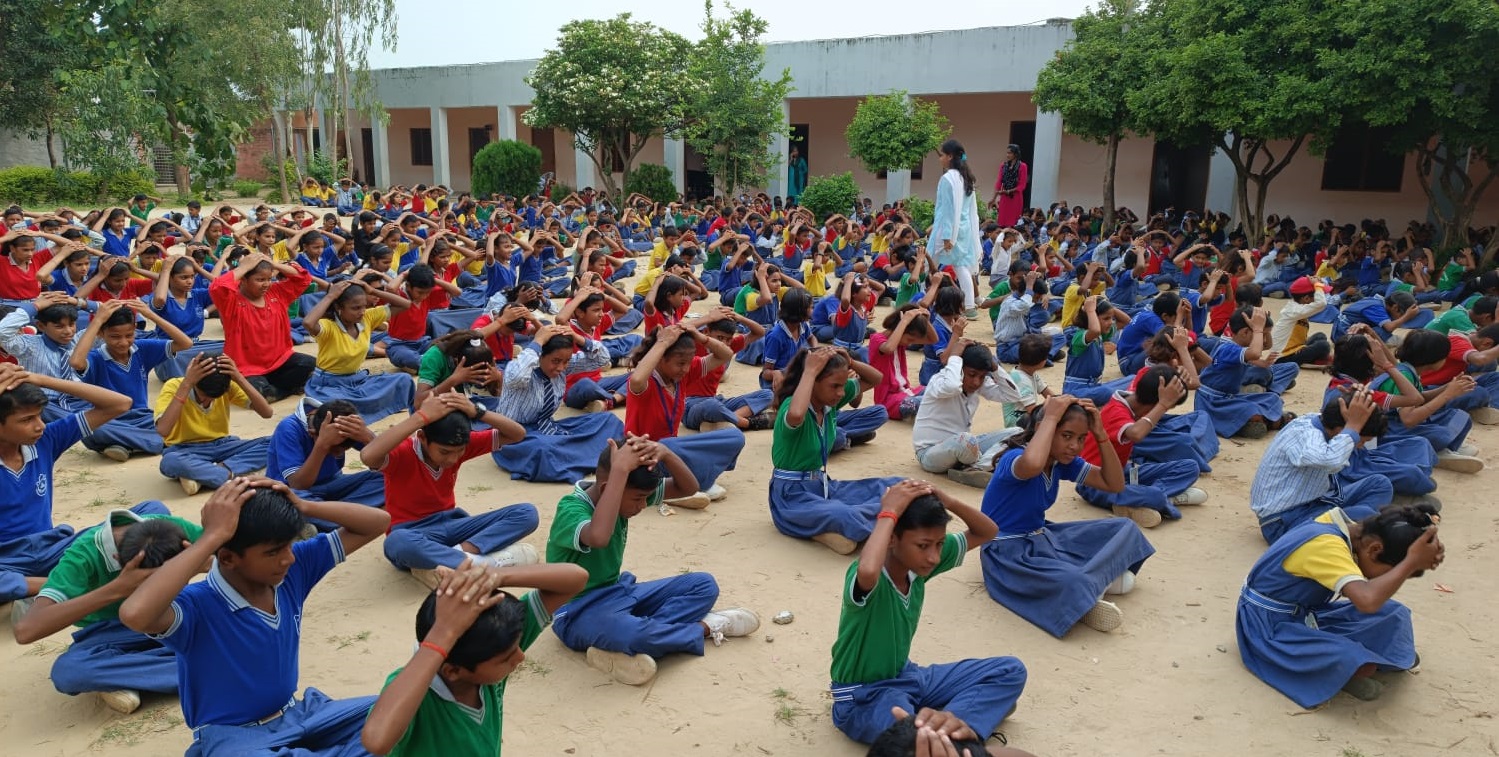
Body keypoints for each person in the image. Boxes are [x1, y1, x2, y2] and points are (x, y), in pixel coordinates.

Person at [118, 478, 391, 755]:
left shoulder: (291, 571)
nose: (288, 558)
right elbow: (134, 614)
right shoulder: (196, 606)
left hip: (302, 714)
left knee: (400, 716)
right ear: (227, 558)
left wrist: (303, 506)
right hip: (234, 738)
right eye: (273, 552)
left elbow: (378, 522)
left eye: (288, 545)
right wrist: (211, 536)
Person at [547, 437, 760, 685]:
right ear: (608, 488)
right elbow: (599, 536)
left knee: (703, 585)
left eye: (645, 499)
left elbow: (687, 488)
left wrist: (667, 453)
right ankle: (703, 628)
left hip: (618, 592)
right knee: (633, 633)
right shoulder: (571, 509)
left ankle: (626, 641)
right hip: (575, 612)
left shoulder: (626, 493)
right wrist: (619, 471)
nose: (642, 506)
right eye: (638, 499)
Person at [829, 480, 1025, 745]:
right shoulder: (870, 577)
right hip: (865, 697)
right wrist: (888, 513)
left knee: (1010, 671)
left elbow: (986, 531)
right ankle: (958, 725)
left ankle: (950, 727)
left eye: (940, 544)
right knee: (911, 739)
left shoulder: (919, 566)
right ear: (891, 539)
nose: (933, 556)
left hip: (908, 677)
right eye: (923, 546)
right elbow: (866, 570)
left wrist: (950, 502)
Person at [360, 560, 588, 757]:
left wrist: (495, 577)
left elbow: (577, 578)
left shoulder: (492, 646)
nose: (520, 657)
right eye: (507, 657)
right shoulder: (417, 697)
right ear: (453, 671)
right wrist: (443, 632)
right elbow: (376, 740)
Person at [979, 397, 1155, 637]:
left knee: (1126, 528)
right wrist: (1050, 417)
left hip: (1043, 538)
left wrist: (1101, 434)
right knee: (1072, 580)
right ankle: (1087, 588)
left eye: (1081, 438)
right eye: (1067, 436)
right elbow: (1032, 464)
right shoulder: (1015, 458)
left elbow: (1114, 483)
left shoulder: (1062, 463)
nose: (1075, 446)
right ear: (1044, 430)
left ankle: (1088, 591)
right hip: (1008, 553)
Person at [0, 363, 167, 611]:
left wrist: (39, 379)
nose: (39, 425)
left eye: (39, 416)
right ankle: (66, 586)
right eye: (26, 420)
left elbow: (119, 404)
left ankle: (44, 590)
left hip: (54, 549)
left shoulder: (46, 441)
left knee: (153, 512)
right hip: (7, 561)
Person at [1236, 504, 1440, 707]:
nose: (1386, 579)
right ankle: (1339, 673)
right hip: (1268, 626)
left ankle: (1365, 658)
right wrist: (1411, 562)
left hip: (1306, 612)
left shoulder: (1355, 529)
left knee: (1395, 614)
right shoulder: (1326, 546)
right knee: (1354, 660)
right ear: (1374, 549)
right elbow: (1367, 602)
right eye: (1388, 572)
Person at [12, 510, 199, 714]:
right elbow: (26, 630)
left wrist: (199, 561)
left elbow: (231, 556)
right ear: (118, 560)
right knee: (70, 671)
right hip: (113, 631)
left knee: (229, 625)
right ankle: (203, 669)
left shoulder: (172, 529)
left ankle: (130, 676)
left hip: (172, 616)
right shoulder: (82, 555)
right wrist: (117, 589)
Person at [361, 392, 540, 588]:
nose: (452, 459)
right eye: (444, 452)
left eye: (459, 452)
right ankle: (479, 562)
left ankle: (458, 559)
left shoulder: (459, 445)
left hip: (455, 526)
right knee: (396, 542)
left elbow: (517, 434)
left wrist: (477, 411)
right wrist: (420, 417)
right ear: (422, 438)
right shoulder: (403, 452)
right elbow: (368, 455)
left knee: (526, 513)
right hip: (413, 533)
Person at [768, 347, 905, 554]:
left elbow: (876, 378)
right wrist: (809, 371)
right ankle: (878, 518)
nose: (841, 392)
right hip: (792, 496)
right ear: (812, 383)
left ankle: (840, 527)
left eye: (842, 386)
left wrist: (851, 362)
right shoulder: (793, 406)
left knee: (899, 486)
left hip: (823, 486)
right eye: (835, 386)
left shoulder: (828, 403)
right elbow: (796, 414)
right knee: (843, 513)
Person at [1248, 388, 1396, 544]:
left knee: (1380, 484)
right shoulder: (1305, 433)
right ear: (1342, 429)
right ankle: (1357, 535)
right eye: (1362, 441)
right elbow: (1330, 461)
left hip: (1316, 501)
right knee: (1364, 514)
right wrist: (1352, 427)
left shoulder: (1323, 423)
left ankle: (1356, 532)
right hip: (1283, 521)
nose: (1360, 446)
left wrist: (1354, 415)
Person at [624, 324, 746, 506]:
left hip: (673, 454)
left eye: (688, 362)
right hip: (645, 459)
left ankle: (682, 485)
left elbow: (725, 355)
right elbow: (636, 379)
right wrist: (662, 343)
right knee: (664, 445)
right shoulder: (646, 382)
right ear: (660, 359)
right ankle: (680, 487)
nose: (686, 368)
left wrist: (700, 336)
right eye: (680, 363)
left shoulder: (682, 376)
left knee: (735, 436)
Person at [1075, 366, 1208, 529]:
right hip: (1095, 483)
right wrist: (1163, 405)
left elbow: (1151, 372)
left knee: (1190, 467)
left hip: (1121, 473)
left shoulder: (1134, 396)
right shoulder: (1117, 410)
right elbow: (1136, 434)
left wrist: (1176, 373)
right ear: (1154, 404)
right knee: (1155, 495)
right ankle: (1159, 497)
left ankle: (1147, 499)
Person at [490, 324, 625, 483]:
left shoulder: (563, 368)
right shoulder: (520, 369)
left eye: (566, 361)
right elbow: (517, 376)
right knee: (542, 449)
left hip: (550, 428)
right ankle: (585, 454)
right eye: (555, 361)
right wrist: (538, 340)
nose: (561, 367)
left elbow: (603, 358)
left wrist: (577, 337)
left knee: (609, 421)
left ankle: (575, 454)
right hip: (516, 438)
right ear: (540, 356)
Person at [68, 298, 193, 461]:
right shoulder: (95, 357)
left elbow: (186, 343)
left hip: (143, 417)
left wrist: (150, 314)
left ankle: (127, 445)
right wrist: (97, 320)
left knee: (180, 419)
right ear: (101, 333)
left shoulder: (142, 349)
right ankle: (149, 443)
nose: (123, 342)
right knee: (92, 431)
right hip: (110, 420)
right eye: (115, 337)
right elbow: (76, 362)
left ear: (135, 330)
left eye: (129, 335)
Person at [155, 353, 275, 495]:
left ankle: (210, 474)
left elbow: (267, 412)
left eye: (213, 398)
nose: (207, 401)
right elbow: (163, 429)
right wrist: (187, 383)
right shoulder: (174, 386)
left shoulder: (227, 386)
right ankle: (233, 475)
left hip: (223, 445)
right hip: (184, 449)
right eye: (203, 395)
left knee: (275, 442)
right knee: (170, 461)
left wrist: (239, 377)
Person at [302, 279, 416, 422]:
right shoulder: (329, 327)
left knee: (404, 380)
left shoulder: (367, 318)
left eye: (364, 306)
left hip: (356, 381)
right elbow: (308, 322)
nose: (362, 312)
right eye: (355, 308)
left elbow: (405, 304)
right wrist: (330, 296)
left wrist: (372, 290)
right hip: (328, 385)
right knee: (337, 410)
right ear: (339, 307)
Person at [209, 251, 316, 402]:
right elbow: (217, 287)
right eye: (259, 279)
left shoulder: (276, 293)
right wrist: (244, 267)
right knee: (258, 393)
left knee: (311, 365)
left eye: (269, 279)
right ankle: (283, 390)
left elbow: (303, 278)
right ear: (243, 279)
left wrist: (272, 263)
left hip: (280, 360)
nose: (266, 284)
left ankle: (276, 390)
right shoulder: (231, 302)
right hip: (246, 368)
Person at [911, 343, 1022, 487]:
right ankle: (983, 465)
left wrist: (993, 366)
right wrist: (955, 357)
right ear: (960, 369)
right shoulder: (940, 381)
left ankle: (977, 467)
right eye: (971, 374)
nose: (976, 382)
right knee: (966, 440)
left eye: (982, 376)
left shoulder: (979, 384)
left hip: (965, 448)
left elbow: (1013, 395)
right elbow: (951, 387)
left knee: (1018, 433)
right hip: (931, 453)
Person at [267, 398, 386, 509]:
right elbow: (298, 485)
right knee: (291, 503)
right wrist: (322, 445)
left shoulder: (342, 423)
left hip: (333, 482)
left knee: (386, 478)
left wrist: (367, 437)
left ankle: (333, 513)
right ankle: (346, 514)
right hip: (295, 492)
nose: (336, 456)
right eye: (333, 450)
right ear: (313, 433)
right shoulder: (289, 428)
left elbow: (388, 461)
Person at [1195, 307, 1295, 438]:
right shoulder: (1227, 348)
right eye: (1261, 335)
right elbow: (1255, 353)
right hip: (1213, 402)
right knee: (1250, 410)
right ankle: (1264, 421)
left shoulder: (1240, 345)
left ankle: (1260, 421)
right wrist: (1259, 329)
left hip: (1229, 397)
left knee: (1272, 398)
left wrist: (1262, 327)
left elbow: (1266, 346)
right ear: (1245, 332)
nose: (1263, 339)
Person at [929, 140, 982, 315]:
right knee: (961, 266)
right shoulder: (966, 177)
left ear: (950, 157)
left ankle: (920, 296)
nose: (940, 159)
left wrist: (947, 236)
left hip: (948, 230)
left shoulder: (948, 179)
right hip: (964, 229)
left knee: (927, 260)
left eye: (942, 155)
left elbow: (947, 211)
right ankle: (969, 306)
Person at [869, 305, 930, 420]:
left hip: (907, 392)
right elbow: (889, 348)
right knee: (922, 402)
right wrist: (904, 321)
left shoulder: (900, 342)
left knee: (936, 390)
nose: (910, 344)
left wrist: (926, 320)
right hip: (889, 402)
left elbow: (933, 340)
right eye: (910, 339)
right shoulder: (877, 340)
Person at [989, 145, 1028, 228]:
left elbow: (1022, 186)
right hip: (1004, 198)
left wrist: (1008, 191)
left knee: (1013, 224)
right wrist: (993, 198)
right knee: (1002, 223)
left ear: (1015, 154)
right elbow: (999, 183)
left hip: (1015, 198)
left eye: (1009, 153)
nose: (1007, 155)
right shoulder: (1003, 166)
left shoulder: (1022, 166)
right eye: (1007, 153)